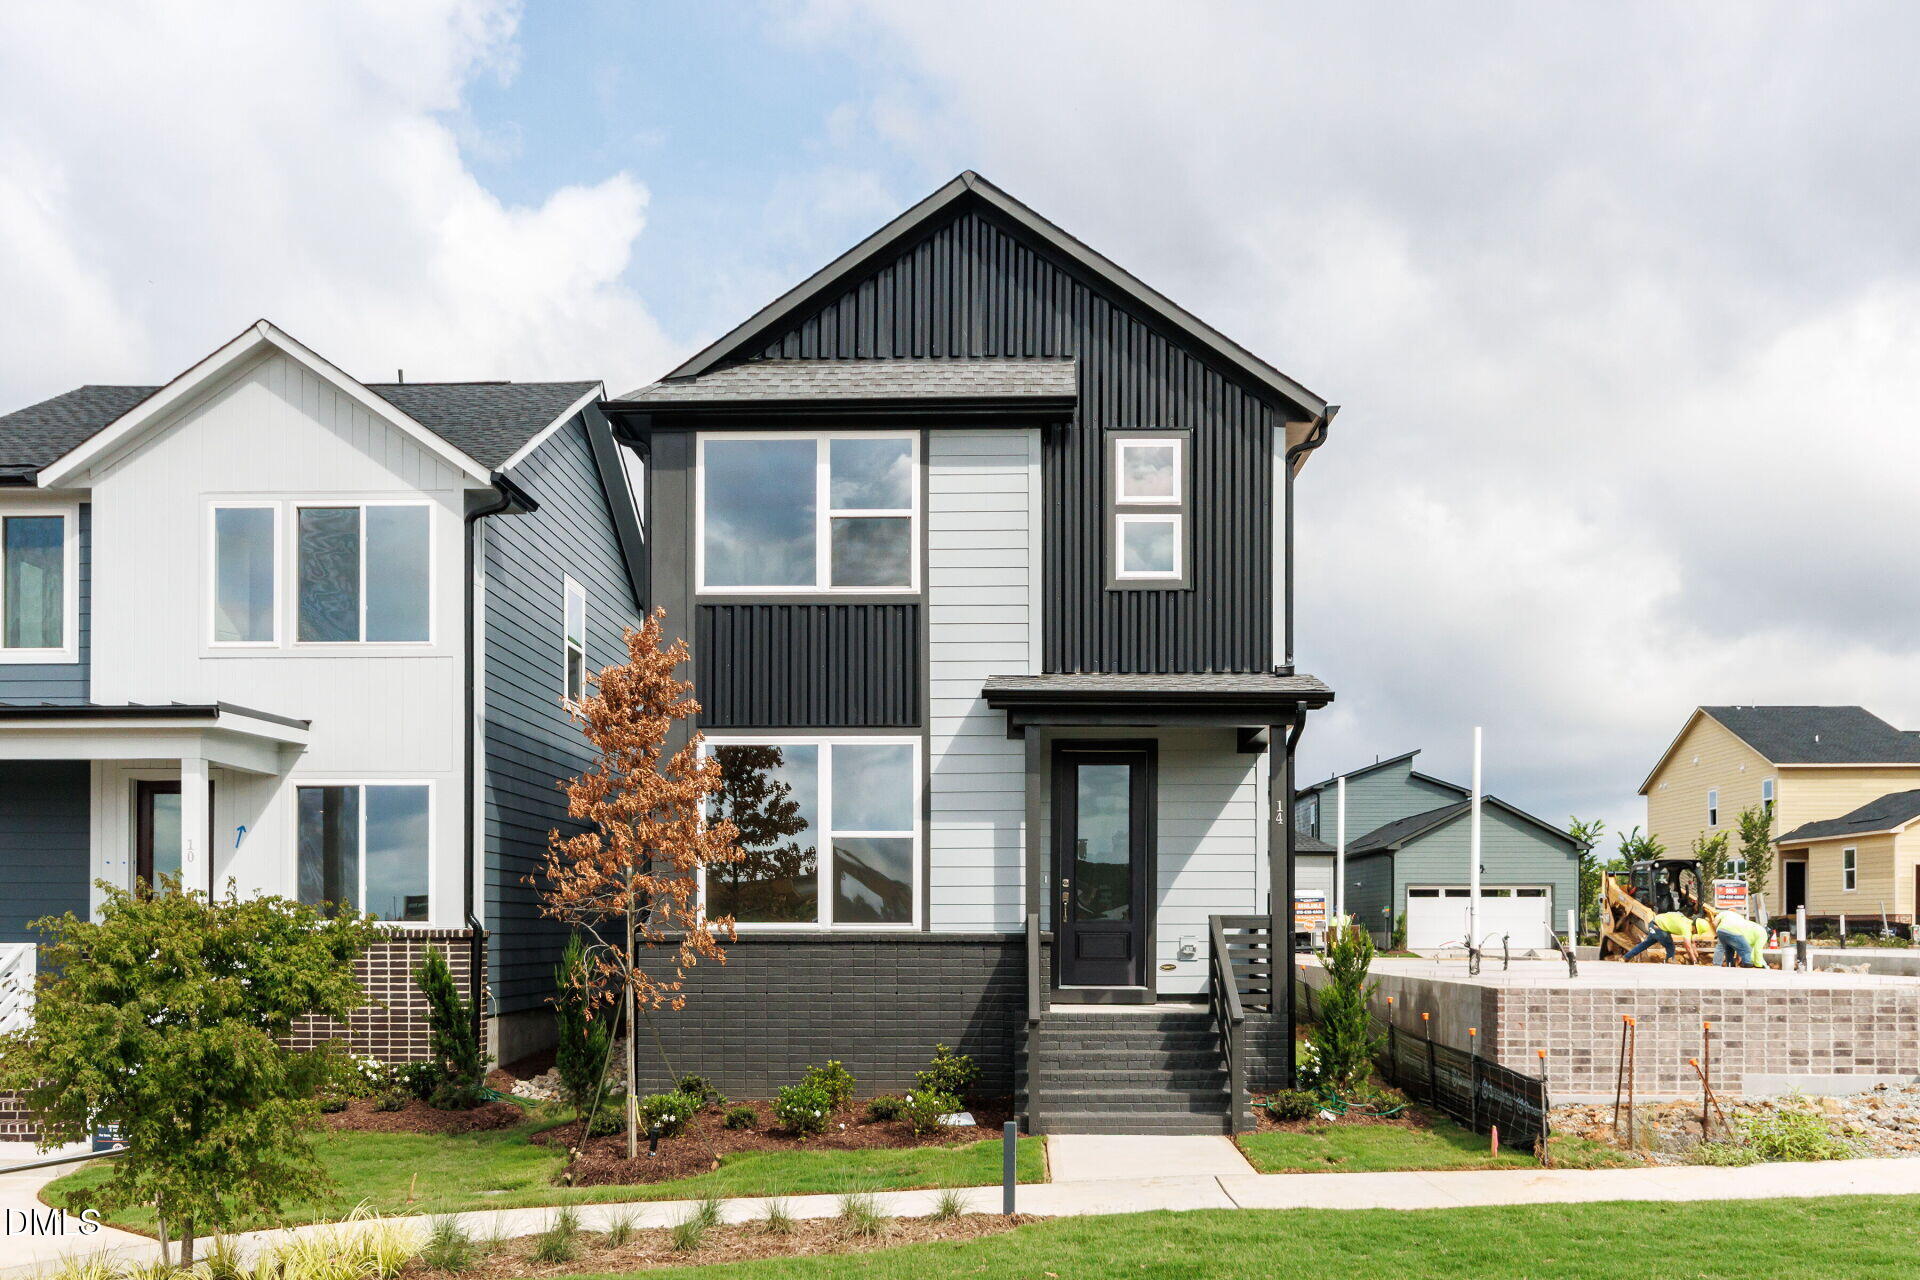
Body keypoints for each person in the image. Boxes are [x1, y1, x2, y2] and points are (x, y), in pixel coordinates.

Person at [1622, 909, 1697, 961]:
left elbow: (1692, 943)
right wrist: (1694, 960)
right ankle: (1670, 963)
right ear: (1696, 928)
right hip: (1658, 927)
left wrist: (1695, 954)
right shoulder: (1686, 928)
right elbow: (1688, 946)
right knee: (1670, 945)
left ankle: (1625, 957)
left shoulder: (1687, 922)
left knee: (1644, 944)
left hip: (1654, 923)